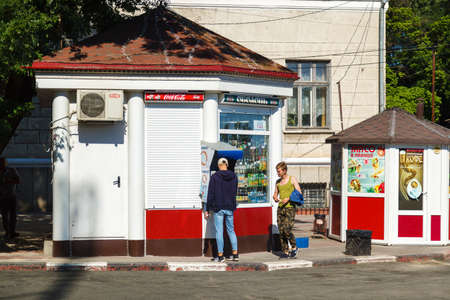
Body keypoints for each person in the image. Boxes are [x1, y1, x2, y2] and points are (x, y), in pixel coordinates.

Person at [205, 157, 239, 262]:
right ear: (227, 165)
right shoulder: (234, 176)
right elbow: (235, 192)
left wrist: (207, 208)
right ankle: (235, 254)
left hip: (218, 207)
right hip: (230, 207)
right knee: (231, 230)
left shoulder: (215, 177)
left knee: (219, 231)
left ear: (219, 165)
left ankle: (220, 256)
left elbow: (210, 193)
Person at [273, 161, 302, 259]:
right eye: (277, 171)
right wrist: (275, 197)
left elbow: (299, 192)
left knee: (287, 229)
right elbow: (275, 193)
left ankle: (294, 246)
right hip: (280, 208)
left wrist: (288, 198)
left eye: (279, 171)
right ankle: (285, 251)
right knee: (281, 230)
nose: (278, 173)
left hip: (290, 208)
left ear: (284, 170)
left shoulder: (292, 179)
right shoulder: (278, 182)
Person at [0, 157, 20, 241]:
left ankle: (12, 231)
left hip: (11, 195)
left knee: (13, 215)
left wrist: (8, 180)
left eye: (3, 162)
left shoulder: (11, 170)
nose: (2, 164)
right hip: (2, 196)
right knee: (5, 215)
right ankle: (8, 231)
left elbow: (18, 180)